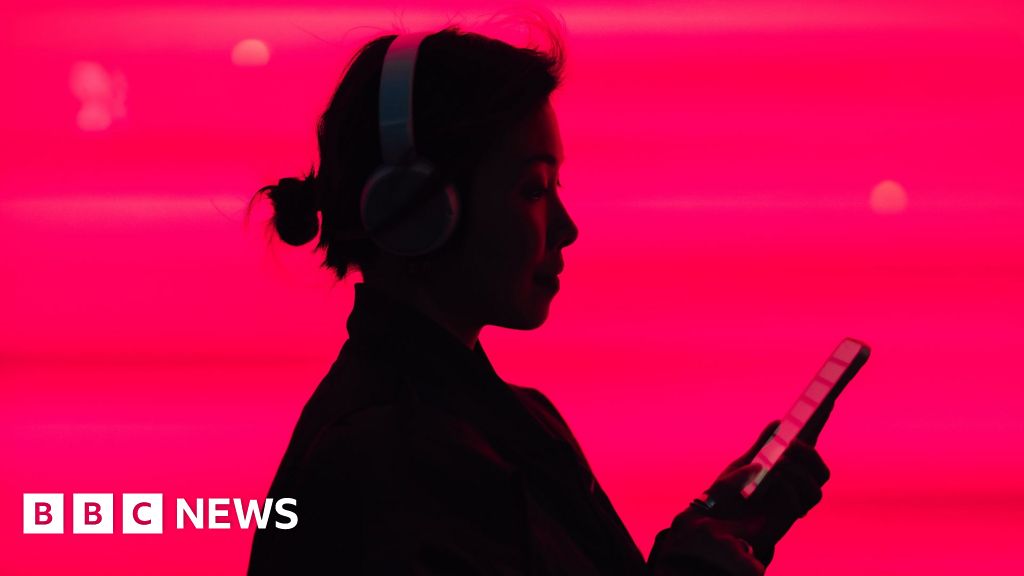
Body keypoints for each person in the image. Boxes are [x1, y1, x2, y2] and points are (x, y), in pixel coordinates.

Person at [247, 22, 829, 576]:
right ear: (418, 212)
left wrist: (715, 527)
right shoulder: (379, 459)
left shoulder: (503, 422)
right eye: (532, 189)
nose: (567, 227)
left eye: (556, 186)